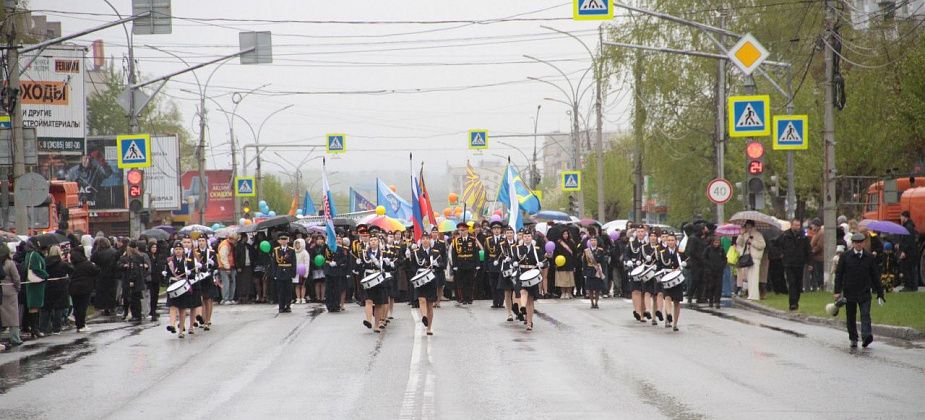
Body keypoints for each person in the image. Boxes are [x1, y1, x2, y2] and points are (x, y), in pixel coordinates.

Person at [834, 233, 884, 348]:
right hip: (849, 291)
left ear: (864, 243)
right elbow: (839, 275)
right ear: (853, 244)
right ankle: (853, 338)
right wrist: (837, 291)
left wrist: (880, 293)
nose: (859, 244)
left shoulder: (869, 257)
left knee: (865, 314)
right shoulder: (845, 256)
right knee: (851, 316)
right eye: (857, 243)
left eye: (861, 242)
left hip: (864, 291)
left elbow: (875, 275)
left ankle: (866, 336)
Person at [514, 229, 545, 331]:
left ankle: (529, 322)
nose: (527, 238)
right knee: (523, 291)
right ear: (522, 238)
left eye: (529, 236)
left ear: (531, 238)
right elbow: (514, 260)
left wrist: (542, 264)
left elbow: (544, 262)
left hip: (532, 275)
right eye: (525, 236)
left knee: (530, 300)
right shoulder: (518, 248)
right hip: (522, 273)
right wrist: (514, 263)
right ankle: (522, 307)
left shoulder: (537, 249)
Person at [779, 218, 810, 310]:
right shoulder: (785, 235)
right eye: (795, 225)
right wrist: (781, 254)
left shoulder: (803, 236)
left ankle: (796, 301)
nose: (797, 227)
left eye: (798, 225)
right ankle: (792, 303)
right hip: (789, 263)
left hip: (799, 263)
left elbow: (808, 249)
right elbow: (777, 245)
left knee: (798, 284)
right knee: (792, 283)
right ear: (791, 225)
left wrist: (809, 262)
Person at [362, 236, 392, 332]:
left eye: (375, 240)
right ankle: (368, 320)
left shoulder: (384, 253)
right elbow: (362, 265)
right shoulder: (365, 253)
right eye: (371, 240)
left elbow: (388, 269)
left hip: (379, 279)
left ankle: (376, 325)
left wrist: (388, 264)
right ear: (369, 242)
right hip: (369, 278)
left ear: (378, 242)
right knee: (368, 301)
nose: (373, 242)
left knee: (378, 303)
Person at [165, 241, 195, 338]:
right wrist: (165, 275)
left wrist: (190, 273)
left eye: (180, 249)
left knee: (182, 309)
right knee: (172, 306)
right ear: (173, 250)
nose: (178, 251)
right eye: (176, 249)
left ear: (183, 250)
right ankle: (172, 325)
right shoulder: (170, 261)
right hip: (173, 285)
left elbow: (193, 275)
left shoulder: (188, 261)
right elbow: (167, 274)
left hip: (183, 287)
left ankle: (181, 330)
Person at [413, 234, 441, 335]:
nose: (425, 241)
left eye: (427, 239)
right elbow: (412, 266)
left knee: (430, 304)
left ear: (430, 240)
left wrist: (437, 264)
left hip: (431, 279)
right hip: (420, 278)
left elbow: (441, 265)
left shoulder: (435, 252)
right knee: (421, 299)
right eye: (423, 239)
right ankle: (424, 316)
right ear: (420, 241)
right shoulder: (416, 252)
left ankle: (429, 328)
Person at [657, 233, 685, 331]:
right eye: (668, 240)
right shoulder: (662, 253)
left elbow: (687, 262)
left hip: (677, 279)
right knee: (667, 297)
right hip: (667, 278)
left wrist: (684, 264)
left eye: (672, 240)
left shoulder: (680, 253)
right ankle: (669, 316)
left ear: (676, 241)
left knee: (677, 301)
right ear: (666, 242)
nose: (670, 242)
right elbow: (659, 266)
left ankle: (675, 324)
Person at [68, 246, 99, 333]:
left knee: (76, 307)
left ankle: (79, 324)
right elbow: (96, 271)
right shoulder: (87, 263)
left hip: (73, 287)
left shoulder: (72, 264)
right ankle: (81, 324)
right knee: (82, 307)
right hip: (85, 288)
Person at [22, 240, 49, 338]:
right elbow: (36, 269)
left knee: (34, 306)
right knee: (35, 306)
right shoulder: (35, 255)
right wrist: (46, 275)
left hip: (33, 283)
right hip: (36, 283)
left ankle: (34, 328)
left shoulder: (29, 254)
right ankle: (35, 328)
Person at [736, 221, 766, 300]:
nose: (748, 228)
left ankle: (754, 295)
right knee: (749, 277)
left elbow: (762, 245)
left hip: (755, 258)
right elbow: (739, 243)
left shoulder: (758, 234)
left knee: (754, 277)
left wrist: (752, 242)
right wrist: (741, 234)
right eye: (747, 227)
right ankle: (751, 294)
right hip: (748, 258)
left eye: (749, 227)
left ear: (753, 226)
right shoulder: (745, 235)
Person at [450, 222, 479, 305]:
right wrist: (454, 265)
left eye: (463, 230)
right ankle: (463, 298)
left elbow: (476, 253)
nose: (462, 232)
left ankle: (470, 298)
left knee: (470, 282)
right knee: (461, 282)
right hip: (460, 264)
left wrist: (477, 264)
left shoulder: (472, 240)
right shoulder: (456, 241)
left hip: (470, 263)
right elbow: (454, 254)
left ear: (467, 230)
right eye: (460, 230)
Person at [118, 241, 148, 323]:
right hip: (139, 281)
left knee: (134, 300)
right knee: (136, 299)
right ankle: (137, 315)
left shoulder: (133, 258)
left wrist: (131, 280)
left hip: (135, 282)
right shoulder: (140, 257)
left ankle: (136, 315)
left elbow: (134, 270)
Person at [624, 226, 649, 321]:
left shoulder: (648, 244)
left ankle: (643, 312)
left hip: (645, 270)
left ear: (645, 233)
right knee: (635, 291)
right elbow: (626, 255)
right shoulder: (631, 244)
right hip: (634, 269)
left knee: (644, 292)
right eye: (638, 231)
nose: (640, 233)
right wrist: (628, 261)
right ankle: (637, 311)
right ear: (636, 233)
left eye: (642, 231)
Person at [91, 237, 119, 315]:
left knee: (102, 292)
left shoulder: (97, 253)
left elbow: (92, 261)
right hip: (112, 275)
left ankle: (104, 307)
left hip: (101, 275)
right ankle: (112, 307)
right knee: (112, 292)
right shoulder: (114, 252)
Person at [270, 233, 296, 313]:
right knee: (280, 290)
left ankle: (288, 306)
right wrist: (274, 274)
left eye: (285, 239)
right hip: (280, 271)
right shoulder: (276, 250)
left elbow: (294, 262)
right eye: (282, 239)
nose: (284, 241)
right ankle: (281, 306)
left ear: (287, 240)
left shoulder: (291, 250)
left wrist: (293, 273)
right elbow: (274, 263)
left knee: (288, 290)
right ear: (279, 241)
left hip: (288, 271)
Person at [0, 244, 21, 346]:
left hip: (1, 291)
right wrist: (18, 288)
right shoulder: (10, 263)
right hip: (10, 291)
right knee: (13, 317)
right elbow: (16, 278)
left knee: (2, 316)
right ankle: (15, 338)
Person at [195, 237, 218, 329]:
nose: (201, 243)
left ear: (206, 242)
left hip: (208, 277)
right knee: (202, 299)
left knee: (208, 299)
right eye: (199, 241)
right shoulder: (195, 252)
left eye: (202, 241)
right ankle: (203, 319)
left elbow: (216, 265)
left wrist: (212, 263)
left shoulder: (211, 252)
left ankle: (207, 320)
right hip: (199, 278)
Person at [323, 233, 349, 312]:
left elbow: (344, 259)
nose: (337, 240)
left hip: (337, 271)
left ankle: (336, 305)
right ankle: (329, 305)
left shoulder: (340, 249)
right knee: (329, 289)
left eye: (339, 239)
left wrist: (337, 263)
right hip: (328, 270)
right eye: (336, 239)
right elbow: (320, 255)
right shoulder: (327, 247)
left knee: (337, 289)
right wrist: (325, 244)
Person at [483, 220, 505, 308]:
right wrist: (486, 267)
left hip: (501, 264)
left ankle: (501, 301)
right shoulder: (488, 240)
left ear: (501, 230)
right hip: (491, 264)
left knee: (501, 284)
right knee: (493, 284)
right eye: (495, 229)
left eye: (498, 229)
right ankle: (495, 302)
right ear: (492, 230)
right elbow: (486, 255)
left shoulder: (504, 240)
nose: (496, 230)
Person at [702, 236, 727, 309]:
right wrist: (708, 265)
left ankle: (717, 301)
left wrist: (722, 265)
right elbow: (704, 258)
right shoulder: (708, 249)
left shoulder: (721, 250)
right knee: (711, 286)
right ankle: (711, 300)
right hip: (710, 271)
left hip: (719, 271)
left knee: (718, 286)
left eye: (718, 242)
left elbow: (724, 259)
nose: (716, 244)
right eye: (715, 242)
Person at [582, 236, 607, 309]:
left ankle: (596, 302)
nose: (593, 242)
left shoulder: (600, 250)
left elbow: (603, 262)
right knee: (590, 288)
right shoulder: (586, 251)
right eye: (592, 240)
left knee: (597, 288)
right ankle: (592, 303)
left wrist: (602, 271)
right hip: (590, 270)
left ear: (597, 242)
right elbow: (584, 262)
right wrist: (584, 273)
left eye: (594, 240)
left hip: (597, 270)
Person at [898, 211, 919, 291]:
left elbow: (908, 241)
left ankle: (909, 286)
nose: (900, 218)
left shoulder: (908, 227)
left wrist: (904, 251)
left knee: (908, 269)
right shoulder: (909, 226)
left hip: (909, 253)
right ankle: (913, 287)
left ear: (905, 217)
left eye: (901, 216)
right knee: (911, 269)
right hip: (911, 252)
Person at [553, 230, 577, 299]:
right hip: (561, 264)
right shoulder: (558, 243)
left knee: (569, 279)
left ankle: (569, 292)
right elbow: (555, 254)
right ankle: (563, 292)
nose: (565, 235)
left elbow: (575, 253)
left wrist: (574, 264)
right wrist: (556, 263)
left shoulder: (571, 242)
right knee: (562, 279)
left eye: (567, 234)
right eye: (564, 234)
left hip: (570, 263)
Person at [147, 242, 166, 320]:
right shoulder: (148, 256)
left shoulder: (158, 256)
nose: (154, 249)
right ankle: (151, 310)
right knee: (151, 295)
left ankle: (154, 309)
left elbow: (161, 265)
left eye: (155, 247)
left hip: (157, 278)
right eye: (152, 247)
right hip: (151, 278)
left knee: (155, 295)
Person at [217, 234, 237, 305]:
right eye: (235, 240)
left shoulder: (229, 244)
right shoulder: (225, 245)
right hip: (225, 267)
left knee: (232, 283)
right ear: (231, 239)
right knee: (226, 283)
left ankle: (230, 298)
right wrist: (227, 267)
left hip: (231, 266)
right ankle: (225, 298)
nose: (235, 241)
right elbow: (223, 257)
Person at [294, 238, 311, 303]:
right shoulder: (294, 252)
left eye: (298, 243)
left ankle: (303, 297)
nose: (297, 245)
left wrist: (306, 273)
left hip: (302, 271)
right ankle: (298, 298)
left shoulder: (305, 253)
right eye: (296, 243)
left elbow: (307, 263)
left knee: (303, 285)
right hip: (296, 271)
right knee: (297, 285)